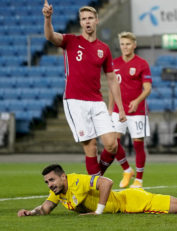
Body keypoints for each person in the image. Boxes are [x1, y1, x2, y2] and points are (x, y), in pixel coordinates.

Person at [42, 1, 127, 176]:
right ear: (80, 23)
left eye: (90, 18)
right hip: (75, 101)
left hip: (96, 101)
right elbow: (50, 36)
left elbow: (112, 79)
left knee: (112, 144)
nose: (87, 21)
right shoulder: (71, 41)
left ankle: (96, 177)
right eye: (83, 19)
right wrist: (48, 18)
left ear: (97, 20)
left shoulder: (104, 49)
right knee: (91, 146)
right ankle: (95, 185)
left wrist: (121, 107)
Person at [17, 159, 177, 216]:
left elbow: (107, 182)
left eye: (52, 181)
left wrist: (98, 211)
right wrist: (32, 212)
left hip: (132, 202)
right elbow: (47, 207)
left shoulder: (77, 180)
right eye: (47, 182)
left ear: (63, 177)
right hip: (130, 201)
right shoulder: (58, 191)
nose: (50, 185)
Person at [107, 32, 152, 189]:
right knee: (112, 142)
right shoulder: (113, 63)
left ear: (134, 45)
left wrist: (137, 100)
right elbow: (112, 88)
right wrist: (109, 108)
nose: (125, 47)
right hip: (118, 110)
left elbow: (148, 88)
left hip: (137, 111)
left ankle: (139, 179)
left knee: (138, 144)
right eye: (122, 44)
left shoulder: (142, 64)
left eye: (127, 44)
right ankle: (127, 169)